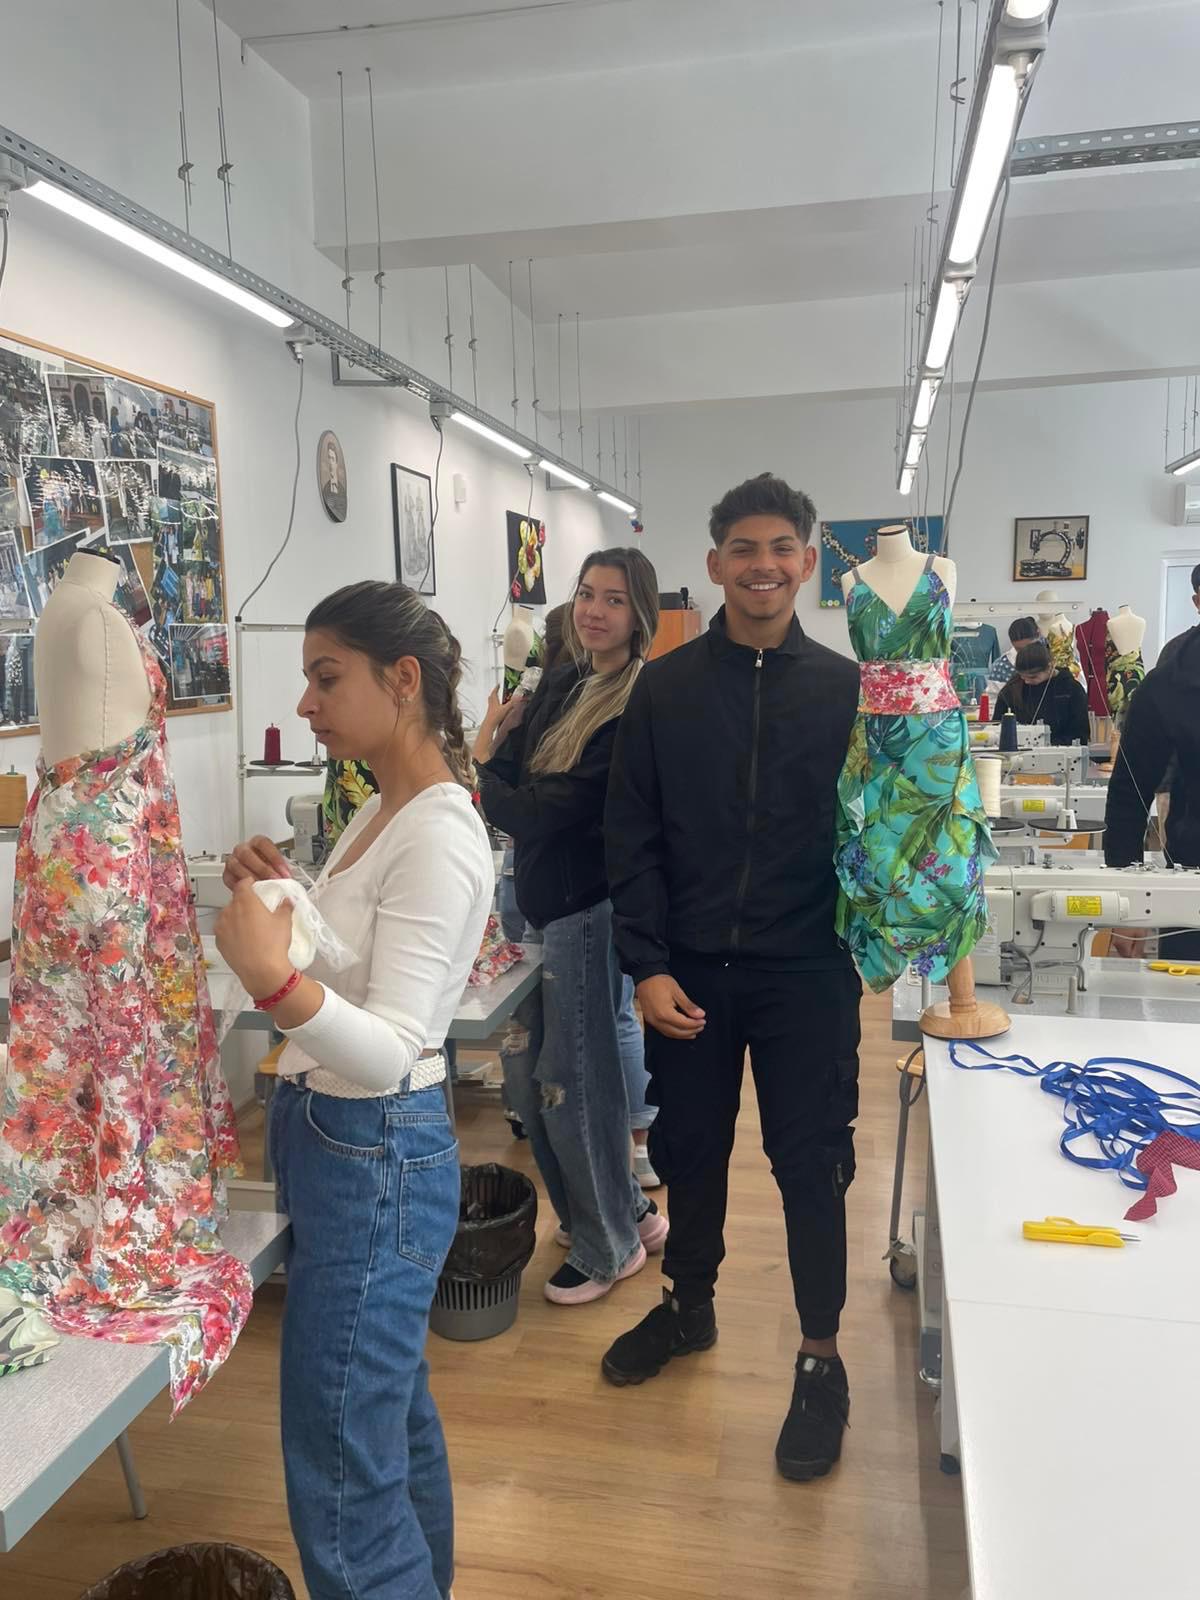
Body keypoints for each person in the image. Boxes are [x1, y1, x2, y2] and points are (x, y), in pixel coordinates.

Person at [215, 580, 492, 1600]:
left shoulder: (437, 832)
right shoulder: (382, 809)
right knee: (378, 1423)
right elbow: (358, 965)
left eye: (326, 678)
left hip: (373, 1148)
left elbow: (390, 1049)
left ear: (402, 678)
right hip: (342, 1143)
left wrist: (272, 981)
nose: (308, 704)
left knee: (341, 1467)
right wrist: (292, 898)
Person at [602, 472, 863, 1483]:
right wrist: (646, 964)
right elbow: (632, 835)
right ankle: (687, 1306)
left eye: (780, 548)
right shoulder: (665, 689)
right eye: (743, 549)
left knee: (812, 1163)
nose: (763, 565)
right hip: (693, 972)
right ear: (714, 564)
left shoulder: (845, 691)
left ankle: (821, 1356)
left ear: (807, 562)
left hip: (808, 972)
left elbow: (881, 838)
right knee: (691, 1147)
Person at [475, 547, 667, 1304]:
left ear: (639, 615)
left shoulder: (637, 707)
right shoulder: (562, 681)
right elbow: (516, 779)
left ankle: (609, 1244)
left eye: (614, 600)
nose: (593, 611)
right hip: (535, 902)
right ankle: (624, 1210)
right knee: (529, 1084)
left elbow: (541, 809)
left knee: (571, 1085)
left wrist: (479, 771)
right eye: (587, 594)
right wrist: (493, 768)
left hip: (585, 912)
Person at [992, 639, 1089, 745]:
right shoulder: (1011, 690)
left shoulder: (1071, 690)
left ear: (1049, 667)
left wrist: (1049, 744)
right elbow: (997, 728)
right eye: (1023, 677)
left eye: (1033, 677)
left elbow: (1080, 734)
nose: (1027, 681)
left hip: (1063, 751)